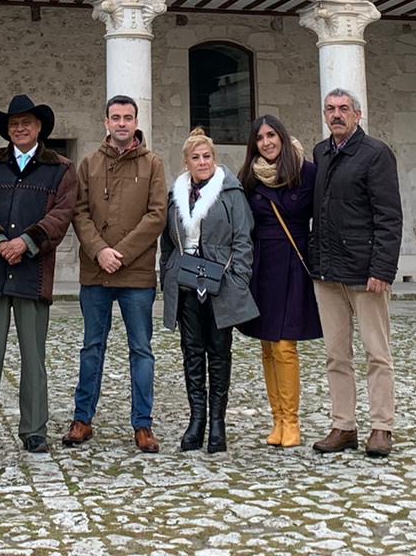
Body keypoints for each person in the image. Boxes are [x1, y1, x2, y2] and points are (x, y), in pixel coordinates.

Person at [0, 93, 77, 455]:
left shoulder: (60, 168)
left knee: (34, 356)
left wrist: (27, 242)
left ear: (39, 127)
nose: (20, 128)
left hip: (33, 273)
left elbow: (62, 214)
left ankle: (34, 430)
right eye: (14, 124)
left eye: (26, 123)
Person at [63, 95, 168, 454]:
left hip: (135, 275)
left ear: (136, 122)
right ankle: (82, 419)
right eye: (115, 117)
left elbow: (156, 215)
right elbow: (79, 213)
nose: (122, 123)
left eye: (128, 117)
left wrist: (120, 253)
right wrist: (100, 251)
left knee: (141, 350)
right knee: (92, 348)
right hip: (96, 274)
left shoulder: (153, 164)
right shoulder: (89, 164)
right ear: (105, 122)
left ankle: (143, 424)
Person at [310, 88, 403, 459]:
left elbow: (388, 216)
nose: (337, 115)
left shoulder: (376, 154)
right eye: (331, 109)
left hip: (366, 273)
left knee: (377, 353)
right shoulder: (321, 152)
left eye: (344, 109)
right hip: (328, 272)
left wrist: (382, 268)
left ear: (358, 115)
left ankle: (382, 426)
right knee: (336, 354)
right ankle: (343, 425)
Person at [160, 128, 256, 454]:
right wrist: (167, 277)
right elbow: (167, 242)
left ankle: (217, 423)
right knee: (191, 352)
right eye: (195, 157)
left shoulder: (230, 193)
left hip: (221, 282)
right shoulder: (176, 194)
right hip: (186, 281)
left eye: (207, 156)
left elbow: (243, 239)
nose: (202, 162)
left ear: (214, 159)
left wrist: (238, 280)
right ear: (186, 162)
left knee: (218, 352)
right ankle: (196, 419)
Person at [236, 114, 323, 448]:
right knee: (268, 346)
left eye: (272, 135)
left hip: (295, 264)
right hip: (263, 266)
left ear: (283, 138)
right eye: (260, 138)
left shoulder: (308, 172)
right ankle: (277, 421)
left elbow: (323, 216)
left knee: (286, 346)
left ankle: (292, 421)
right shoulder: (250, 178)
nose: (267, 142)